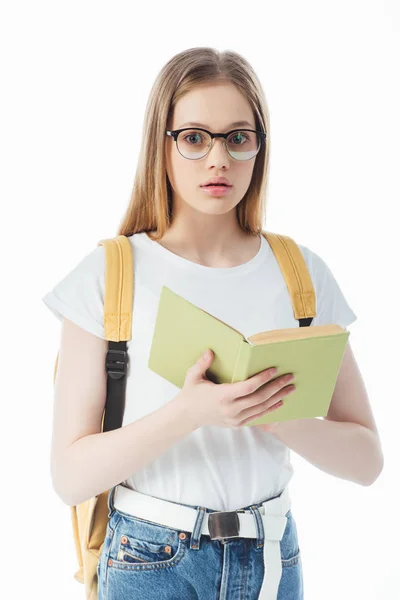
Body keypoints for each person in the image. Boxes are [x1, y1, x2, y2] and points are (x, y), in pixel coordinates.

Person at [42, 47, 382, 600]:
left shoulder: (300, 273)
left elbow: (367, 462)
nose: (218, 159)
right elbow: (70, 479)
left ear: (259, 148)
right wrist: (190, 412)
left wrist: (273, 416)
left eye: (238, 137)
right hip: (148, 560)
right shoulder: (110, 274)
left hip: (273, 556)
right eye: (195, 137)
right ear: (163, 144)